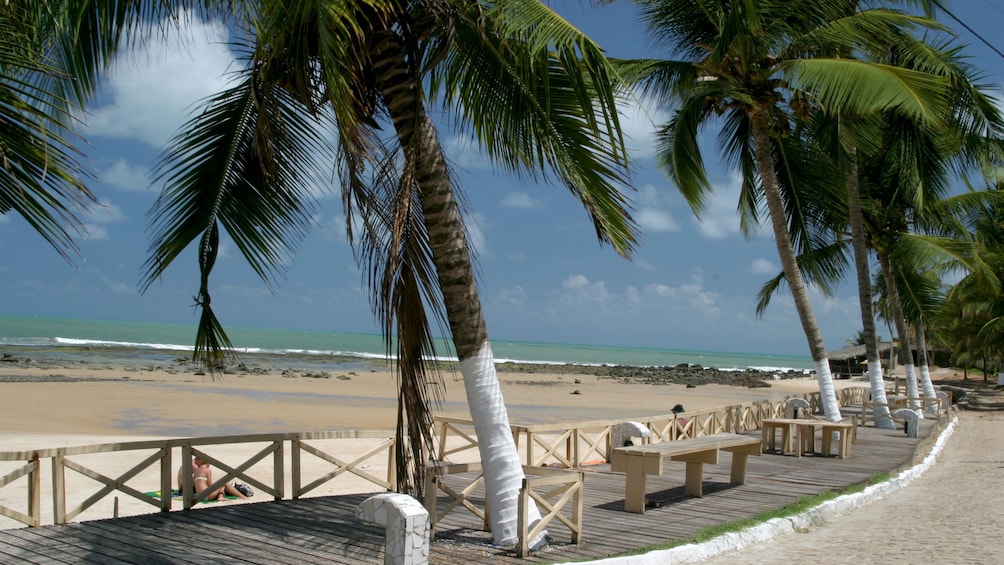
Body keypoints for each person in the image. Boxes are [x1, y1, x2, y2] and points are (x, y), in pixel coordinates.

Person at [178, 455, 253, 500]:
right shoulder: (200, 468)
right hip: (188, 491)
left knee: (219, 487)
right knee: (224, 483)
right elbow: (210, 485)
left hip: (198, 495)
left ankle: (221, 496)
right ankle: (242, 497)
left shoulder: (197, 469)